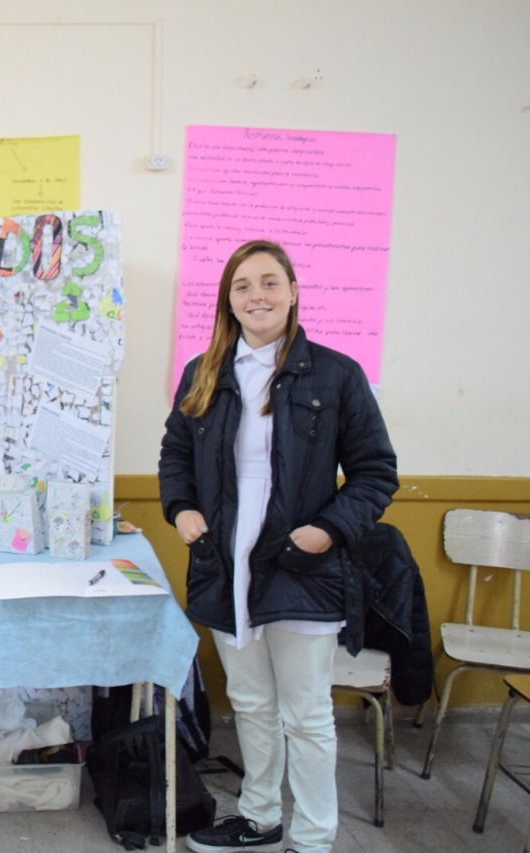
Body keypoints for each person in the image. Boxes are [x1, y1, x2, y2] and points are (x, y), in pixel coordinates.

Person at [158, 240, 397, 853]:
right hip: (224, 563)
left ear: (292, 292)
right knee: (251, 702)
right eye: (242, 286)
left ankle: (314, 839)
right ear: (228, 301)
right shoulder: (205, 371)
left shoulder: (336, 374)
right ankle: (260, 818)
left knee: (307, 715)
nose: (256, 295)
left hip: (302, 564)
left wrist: (326, 531)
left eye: (269, 282)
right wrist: (182, 510)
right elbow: (176, 454)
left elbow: (375, 472)